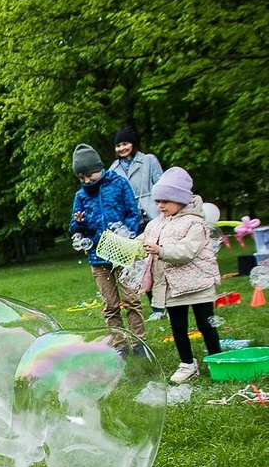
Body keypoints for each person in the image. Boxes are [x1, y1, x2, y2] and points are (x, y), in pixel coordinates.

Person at [141, 167, 222, 383]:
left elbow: (187, 251)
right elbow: (143, 241)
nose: (160, 205)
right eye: (158, 201)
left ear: (181, 200)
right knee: (178, 327)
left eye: (165, 201)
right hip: (172, 286)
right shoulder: (156, 223)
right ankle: (187, 363)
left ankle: (217, 360)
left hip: (198, 284)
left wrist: (161, 250)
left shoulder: (195, 223)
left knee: (206, 324)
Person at [69, 143, 147, 340]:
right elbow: (74, 228)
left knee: (131, 300)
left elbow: (133, 213)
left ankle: (139, 342)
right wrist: (79, 223)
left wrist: (125, 234)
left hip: (122, 252)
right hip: (97, 256)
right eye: (82, 177)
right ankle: (119, 344)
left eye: (90, 175)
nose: (87, 181)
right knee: (110, 305)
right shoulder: (80, 195)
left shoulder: (119, 184)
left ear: (99, 168)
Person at [109, 126, 166, 319]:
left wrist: (160, 208)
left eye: (125, 143)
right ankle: (156, 307)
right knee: (141, 265)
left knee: (158, 262)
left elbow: (161, 186)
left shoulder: (149, 160)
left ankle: (164, 304)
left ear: (133, 143)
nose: (122, 148)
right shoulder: (113, 169)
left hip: (152, 215)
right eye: (118, 145)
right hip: (129, 221)